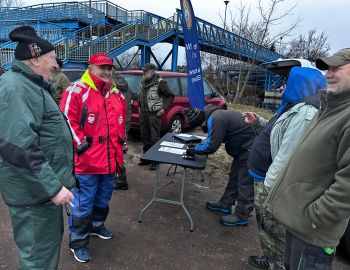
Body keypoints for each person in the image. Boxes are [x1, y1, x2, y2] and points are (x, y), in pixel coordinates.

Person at [265, 48, 350, 269]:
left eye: (336, 68)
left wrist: (315, 217)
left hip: (313, 229)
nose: (328, 74)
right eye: (327, 69)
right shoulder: (330, 108)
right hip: (299, 222)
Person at [0, 26, 75, 270]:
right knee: (39, 260)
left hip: (39, 193)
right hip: (35, 195)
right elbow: (19, 146)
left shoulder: (30, 85)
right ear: (35, 59)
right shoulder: (15, 88)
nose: (56, 64)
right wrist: (53, 189)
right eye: (52, 58)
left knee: (43, 253)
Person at [244, 67, 326, 269]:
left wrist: (270, 191)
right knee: (266, 229)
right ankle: (271, 259)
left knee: (274, 231)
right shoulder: (293, 107)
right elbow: (277, 133)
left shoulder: (306, 113)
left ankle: (277, 264)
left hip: (271, 185)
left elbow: (286, 157)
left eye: (287, 83)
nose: (282, 87)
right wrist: (258, 122)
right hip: (263, 178)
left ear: (301, 85)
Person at [60, 53, 126, 263]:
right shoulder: (77, 90)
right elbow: (66, 120)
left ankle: (97, 226)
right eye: (102, 67)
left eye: (109, 68)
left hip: (110, 161)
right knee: (82, 203)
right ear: (91, 67)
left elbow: (119, 124)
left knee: (103, 198)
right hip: (86, 163)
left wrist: (121, 146)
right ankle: (78, 241)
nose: (107, 71)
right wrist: (81, 147)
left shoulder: (117, 94)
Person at [183, 104, 256, 226]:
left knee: (244, 181)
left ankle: (242, 215)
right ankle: (225, 203)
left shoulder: (215, 118)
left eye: (197, 127)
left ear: (201, 121)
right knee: (234, 176)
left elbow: (212, 146)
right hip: (243, 147)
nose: (198, 130)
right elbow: (213, 138)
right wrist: (197, 147)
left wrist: (194, 150)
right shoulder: (215, 115)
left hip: (251, 147)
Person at [138, 63, 174, 170]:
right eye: (143, 71)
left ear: (152, 71)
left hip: (154, 114)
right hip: (144, 114)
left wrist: (163, 109)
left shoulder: (160, 82)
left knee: (154, 137)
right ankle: (147, 157)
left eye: (146, 71)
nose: (144, 72)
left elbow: (171, 95)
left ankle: (155, 160)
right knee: (145, 137)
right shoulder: (143, 82)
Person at [112, 71, 131, 190]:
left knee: (116, 151)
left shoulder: (113, 88)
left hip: (116, 122)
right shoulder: (125, 85)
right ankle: (120, 178)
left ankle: (121, 180)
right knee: (120, 149)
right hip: (125, 120)